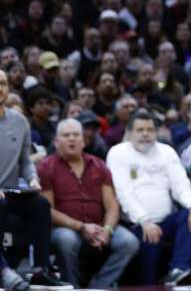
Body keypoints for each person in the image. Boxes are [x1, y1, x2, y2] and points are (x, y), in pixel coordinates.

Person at [106, 110, 191, 286]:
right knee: (148, 278)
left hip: (165, 221)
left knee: (188, 217)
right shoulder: (118, 153)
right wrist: (144, 220)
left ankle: (179, 270)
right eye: (140, 130)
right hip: (135, 224)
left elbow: (180, 184)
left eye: (150, 130)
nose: (145, 134)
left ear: (156, 132)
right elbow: (123, 193)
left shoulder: (166, 151)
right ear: (129, 133)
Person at [38, 119, 141, 289]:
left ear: (83, 141)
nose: (72, 138)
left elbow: (112, 205)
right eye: (66, 135)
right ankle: (72, 287)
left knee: (129, 242)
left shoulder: (99, 165)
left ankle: (98, 286)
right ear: (56, 142)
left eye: (76, 135)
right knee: (66, 240)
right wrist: (81, 227)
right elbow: (48, 210)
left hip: (99, 225)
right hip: (65, 227)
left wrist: (107, 230)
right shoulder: (46, 167)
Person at [0, 71, 71, 291]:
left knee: (41, 205)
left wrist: (32, 178)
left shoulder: (19, 121)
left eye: (3, 83)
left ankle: (41, 271)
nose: (0, 88)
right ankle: (3, 271)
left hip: (11, 190)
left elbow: (25, 159)